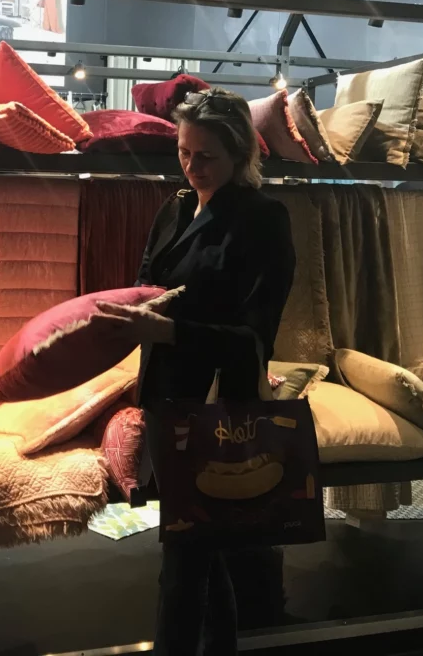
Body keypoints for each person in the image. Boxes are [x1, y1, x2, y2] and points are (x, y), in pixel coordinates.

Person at [98, 88, 296, 656]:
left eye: (205, 156)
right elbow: (147, 285)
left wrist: (169, 331)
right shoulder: (176, 207)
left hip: (217, 407)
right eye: (184, 152)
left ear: (239, 154)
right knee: (199, 551)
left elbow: (255, 336)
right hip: (167, 397)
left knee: (185, 561)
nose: (191, 165)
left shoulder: (263, 219)